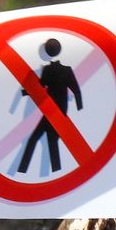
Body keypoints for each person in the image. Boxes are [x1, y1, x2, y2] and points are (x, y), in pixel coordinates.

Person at [17, 37, 83, 174]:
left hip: (51, 112)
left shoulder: (48, 70)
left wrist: (25, 92)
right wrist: (79, 107)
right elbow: (76, 90)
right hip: (59, 112)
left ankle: (22, 169)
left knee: (34, 139)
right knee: (52, 142)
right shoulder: (67, 70)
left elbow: (40, 87)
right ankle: (55, 170)